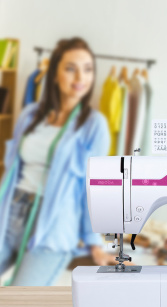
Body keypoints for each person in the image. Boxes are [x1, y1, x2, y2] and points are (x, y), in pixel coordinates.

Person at [0, 37, 117, 286]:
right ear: (54, 74)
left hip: (53, 227)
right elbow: (11, 172)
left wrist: (94, 241)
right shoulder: (30, 115)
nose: (80, 78)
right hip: (11, 213)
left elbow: (93, 187)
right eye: (70, 68)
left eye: (87, 69)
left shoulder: (93, 125)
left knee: (19, 305)